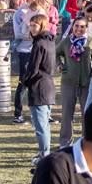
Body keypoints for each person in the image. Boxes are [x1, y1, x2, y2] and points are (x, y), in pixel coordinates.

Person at [21, 13, 57, 163]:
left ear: (42, 25)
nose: (32, 28)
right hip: (47, 85)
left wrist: (24, 82)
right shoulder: (49, 42)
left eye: (35, 25)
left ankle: (44, 154)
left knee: (41, 125)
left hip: (39, 87)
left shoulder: (39, 44)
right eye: (31, 25)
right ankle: (44, 152)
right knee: (44, 125)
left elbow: (33, 69)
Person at [55, 16, 92, 148]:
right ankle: (65, 142)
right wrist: (60, 64)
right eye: (76, 26)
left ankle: (87, 141)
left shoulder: (91, 41)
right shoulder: (67, 42)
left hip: (86, 83)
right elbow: (56, 53)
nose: (79, 29)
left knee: (87, 114)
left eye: (82, 26)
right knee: (67, 114)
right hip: (68, 82)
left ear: (86, 28)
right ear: (72, 26)